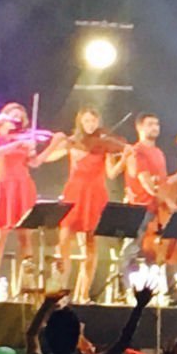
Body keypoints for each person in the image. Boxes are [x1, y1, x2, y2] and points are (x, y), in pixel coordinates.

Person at [34, 107, 130, 302]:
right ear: (80, 122)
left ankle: (83, 293)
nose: (90, 125)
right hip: (75, 193)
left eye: (93, 121)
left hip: (95, 195)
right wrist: (55, 143)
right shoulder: (72, 142)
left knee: (91, 246)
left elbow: (111, 173)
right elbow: (45, 159)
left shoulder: (104, 143)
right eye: (87, 121)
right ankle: (61, 289)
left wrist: (125, 157)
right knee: (64, 242)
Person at [26, 287, 152, 354]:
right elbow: (122, 343)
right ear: (76, 337)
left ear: (48, 336)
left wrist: (46, 305)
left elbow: (31, 334)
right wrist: (139, 307)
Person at [121, 113, 177, 293]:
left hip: (155, 210)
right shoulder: (137, 152)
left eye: (157, 124)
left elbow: (162, 182)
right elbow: (147, 184)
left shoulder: (158, 153)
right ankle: (125, 289)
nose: (155, 127)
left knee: (152, 254)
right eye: (150, 124)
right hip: (139, 208)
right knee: (131, 250)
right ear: (139, 127)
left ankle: (149, 290)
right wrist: (168, 201)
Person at [0, 103, 39, 298]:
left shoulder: (23, 139)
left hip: (23, 187)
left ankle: (25, 286)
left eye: (20, 118)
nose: (17, 121)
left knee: (25, 237)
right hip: (4, 187)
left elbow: (34, 163)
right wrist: (17, 143)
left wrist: (33, 150)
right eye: (13, 117)